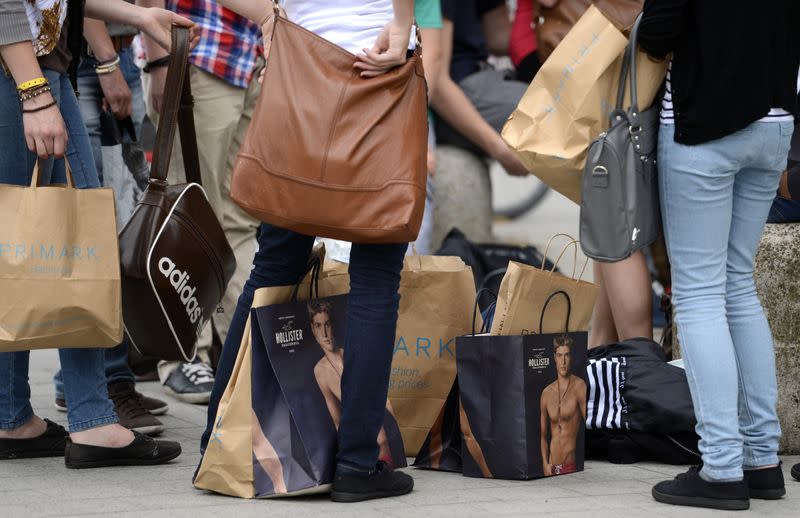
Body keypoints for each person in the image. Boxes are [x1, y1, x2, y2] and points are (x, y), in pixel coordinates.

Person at [202, 0, 418, 502]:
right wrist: (404, 24)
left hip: (301, 64)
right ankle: (357, 464)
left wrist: (269, 16)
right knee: (376, 274)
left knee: (274, 264)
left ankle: (221, 438)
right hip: (376, 59)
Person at [0, 0, 192, 467]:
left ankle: (11, 416)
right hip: (27, 74)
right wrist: (35, 93)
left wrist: (138, 16)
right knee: (80, 242)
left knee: (14, 243)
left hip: (28, 71)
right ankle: (92, 420)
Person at [639, 0, 799, 510]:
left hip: (704, 122)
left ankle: (722, 467)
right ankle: (761, 459)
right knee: (737, 284)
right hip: (775, 119)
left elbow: (660, 30)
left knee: (699, 293)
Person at [138, 0, 264, 405]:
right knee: (185, 214)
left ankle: (246, 348)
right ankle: (179, 357)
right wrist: (161, 62)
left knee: (240, 219)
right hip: (196, 54)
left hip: (249, 59)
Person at [52, 7, 168, 436]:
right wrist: (106, 60)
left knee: (120, 221)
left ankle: (96, 379)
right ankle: (110, 384)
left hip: (114, 61)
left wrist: (151, 61)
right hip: (87, 63)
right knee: (100, 229)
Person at [429, 0, 529, 247]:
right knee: (558, 115)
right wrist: (500, 149)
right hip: (454, 95)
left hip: (484, 77)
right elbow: (436, 83)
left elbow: (499, 38)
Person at [308, 300, 396, 466]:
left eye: (327, 324)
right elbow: (337, 420)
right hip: (369, 451)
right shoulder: (320, 371)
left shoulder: (352, 353)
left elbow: (383, 396)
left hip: (388, 438)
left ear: (332, 325)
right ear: (313, 330)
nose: (325, 333)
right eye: (319, 326)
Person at [539, 334, 586, 476]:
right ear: (554, 358)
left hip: (569, 467)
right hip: (551, 467)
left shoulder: (579, 387)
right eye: (559, 356)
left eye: (567, 355)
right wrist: (545, 464)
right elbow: (543, 435)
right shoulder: (546, 393)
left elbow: (588, 422)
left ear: (571, 357)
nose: (563, 361)